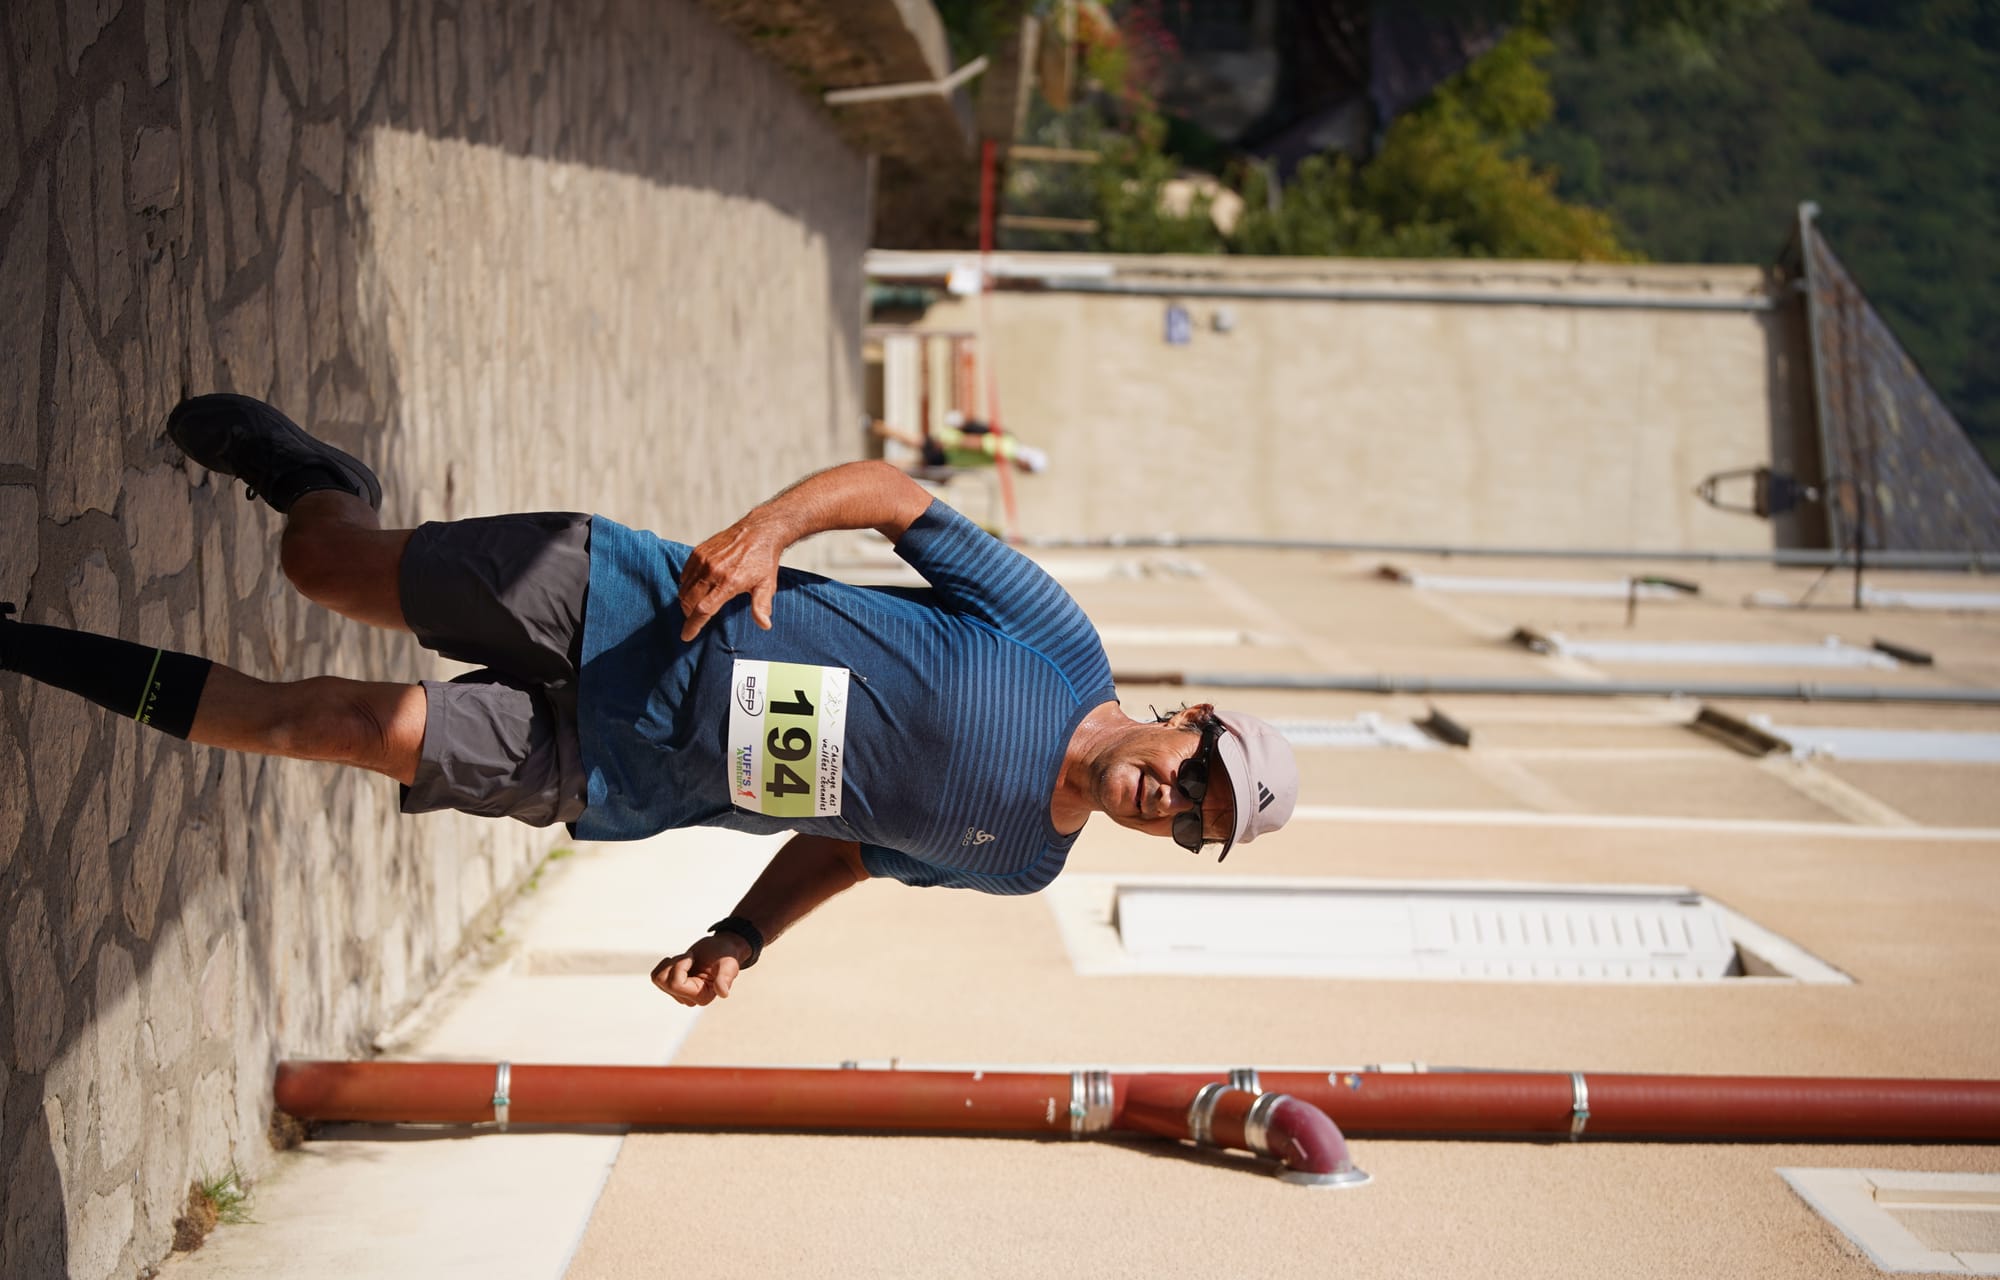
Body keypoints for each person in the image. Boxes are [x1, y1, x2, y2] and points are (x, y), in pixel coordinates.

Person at [1, 395, 1298, 1006]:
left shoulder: (1022, 862)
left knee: (337, 725)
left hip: (622, 768)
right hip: (635, 603)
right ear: (1186, 718)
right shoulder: (1057, 642)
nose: (1173, 802)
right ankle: (311, 475)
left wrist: (742, 933)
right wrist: (765, 533)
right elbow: (898, 500)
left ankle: (18, 647)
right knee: (323, 568)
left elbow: (849, 845)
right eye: (1198, 774)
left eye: (1197, 825)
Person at [868, 415, 1049, 476]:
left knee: (912, 445)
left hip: (950, 449)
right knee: (911, 458)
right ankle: (870, 465)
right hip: (950, 450)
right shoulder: (1008, 449)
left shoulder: (1010, 447)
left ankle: (874, 429)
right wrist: (949, 442)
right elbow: (977, 443)